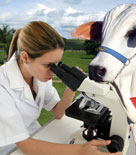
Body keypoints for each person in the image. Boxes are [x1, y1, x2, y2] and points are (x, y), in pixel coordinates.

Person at [0, 21, 121, 155]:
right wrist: (82, 150)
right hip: (9, 147)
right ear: (25, 57)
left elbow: (58, 112)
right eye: (48, 65)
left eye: (56, 65)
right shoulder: (2, 85)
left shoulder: (38, 75)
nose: (53, 72)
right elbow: (26, 146)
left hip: (35, 136)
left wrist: (72, 86)